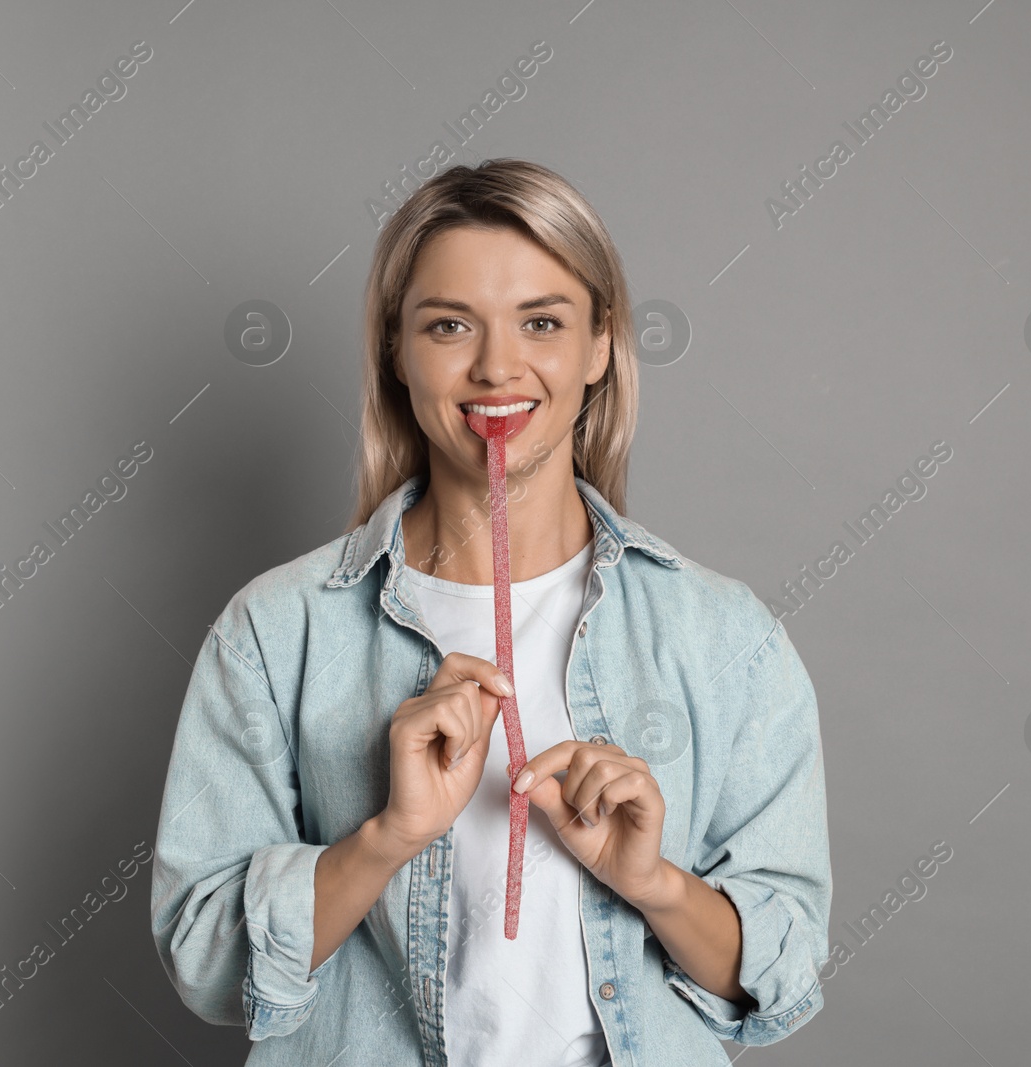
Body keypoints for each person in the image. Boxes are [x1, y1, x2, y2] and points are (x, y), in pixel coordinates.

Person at [150, 158, 831, 1067]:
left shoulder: (726, 638)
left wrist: (653, 883)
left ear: (599, 348)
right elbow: (206, 961)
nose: (497, 366)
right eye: (448, 326)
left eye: (542, 322)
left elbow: (782, 972)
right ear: (397, 351)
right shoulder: (275, 632)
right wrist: (389, 835)